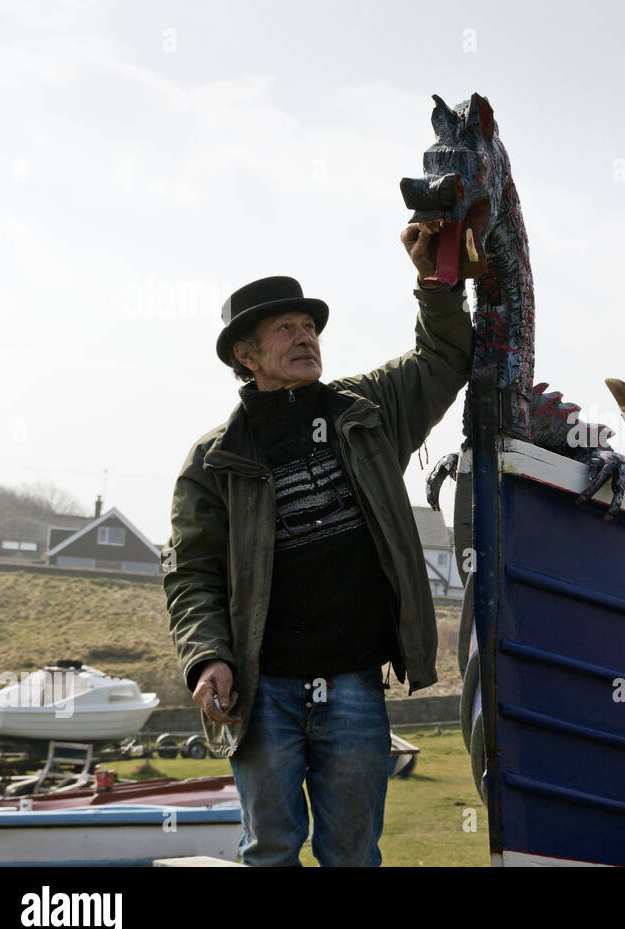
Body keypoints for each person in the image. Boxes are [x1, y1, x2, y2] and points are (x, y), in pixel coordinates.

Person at [163, 224, 482, 865]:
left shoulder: (366, 410)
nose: (305, 336)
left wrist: (436, 281)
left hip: (355, 685)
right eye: (284, 328)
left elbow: (445, 359)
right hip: (264, 689)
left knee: (353, 853)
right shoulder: (214, 459)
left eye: (309, 326)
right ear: (245, 358)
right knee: (272, 850)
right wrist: (207, 657)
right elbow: (191, 572)